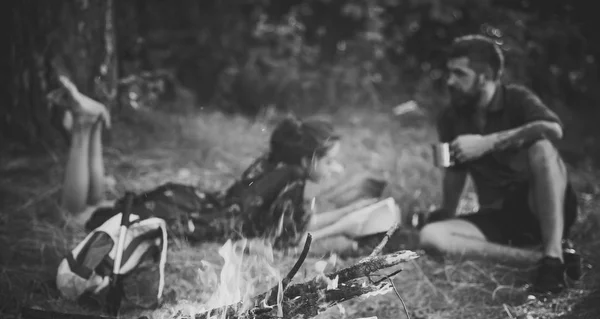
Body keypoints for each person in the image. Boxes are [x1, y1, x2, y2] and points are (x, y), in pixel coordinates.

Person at [52, 75, 393, 252]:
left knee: (99, 205)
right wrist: (345, 226)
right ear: (308, 160)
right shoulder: (290, 182)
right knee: (76, 215)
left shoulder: (280, 168)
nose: (337, 169)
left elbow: (300, 221)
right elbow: (287, 242)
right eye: (331, 162)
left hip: (190, 203)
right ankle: (85, 128)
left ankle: (91, 125)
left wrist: (352, 212)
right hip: (189, 219)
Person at [418, 35, 580, 294]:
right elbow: (454, 172)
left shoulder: (516, 99)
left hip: (540, 206)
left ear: (484, 77)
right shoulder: (451, 116)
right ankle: (544, 261)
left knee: (542, 148)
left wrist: (488, 142)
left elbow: (553, 129)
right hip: (498, 216)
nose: (450, 81)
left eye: (460, 74)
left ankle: (552, 250)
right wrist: (446, 213)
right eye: (450, 73)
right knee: (431, 236)